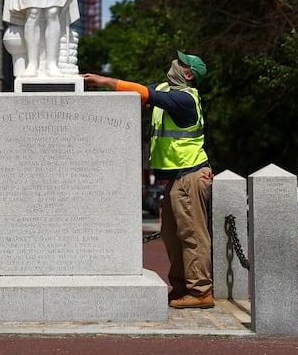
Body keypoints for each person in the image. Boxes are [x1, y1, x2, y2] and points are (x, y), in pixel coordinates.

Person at [81, 51, 214, 309]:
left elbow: (147, 95)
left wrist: (104, 81)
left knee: (192, 235)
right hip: (177, 178)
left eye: (180, 62)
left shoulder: (184, 98)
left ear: (187, 74)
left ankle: (201, 292)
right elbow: (140, 92)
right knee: (172, 235)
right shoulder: (167, 88)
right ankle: (181, 289)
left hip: (190, 175)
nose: (174, 63)